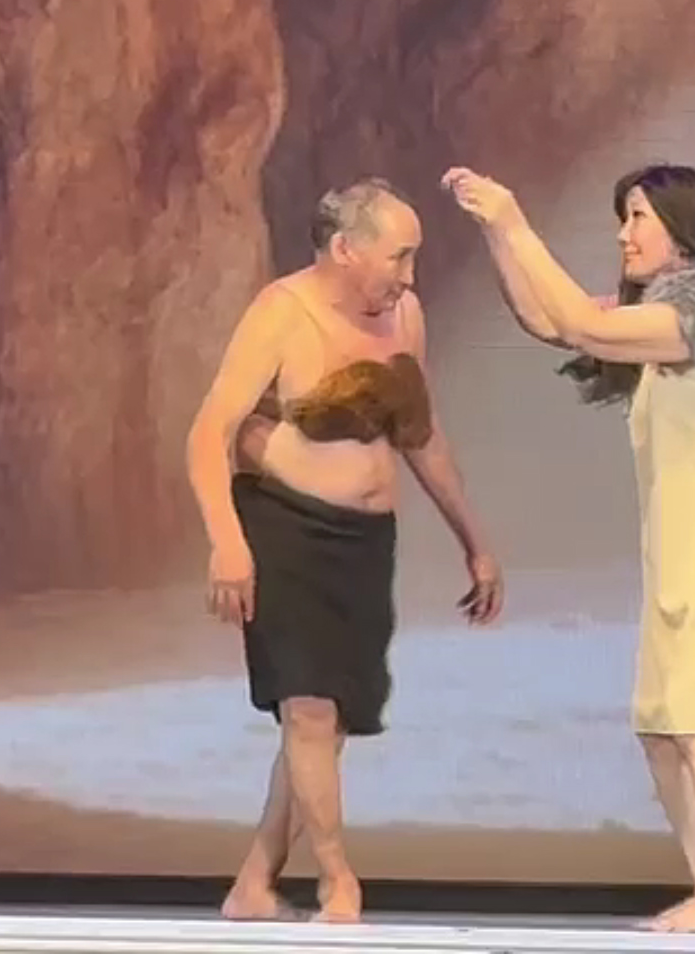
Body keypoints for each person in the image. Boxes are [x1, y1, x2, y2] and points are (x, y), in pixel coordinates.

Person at [442, 163, 695, 934]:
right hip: (693, 526)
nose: (624, 234)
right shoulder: (665, 303)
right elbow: (553, 320)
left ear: (684, 223)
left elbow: (586, 329)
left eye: (638, 216)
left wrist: (516, 219)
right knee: (660, 721)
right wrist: (496, 233)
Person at [185, 177, 504, 924]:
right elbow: (209, 433)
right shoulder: (282, 313)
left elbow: (421, 437)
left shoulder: (405, 317)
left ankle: (254, 884)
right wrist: (227, 544)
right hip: (285, 528)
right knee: (308, 709)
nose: (409, 276)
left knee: (327, 722)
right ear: (345, 249)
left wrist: (476, 542)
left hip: (363, 544)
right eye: (398, 257)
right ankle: (338, 882)